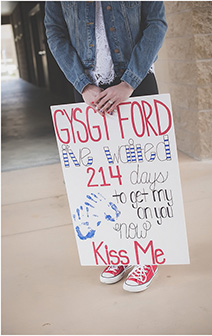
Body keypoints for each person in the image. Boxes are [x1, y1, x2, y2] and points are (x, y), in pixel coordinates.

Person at [45, 1, 166, 292]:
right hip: (89, 92)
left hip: (136, 86)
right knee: (102, 178)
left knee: (144, 178)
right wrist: (82, 84)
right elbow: (54, 31)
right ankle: (120, 250)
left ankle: (147, 253)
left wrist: (129, 82)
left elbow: (156, 22)